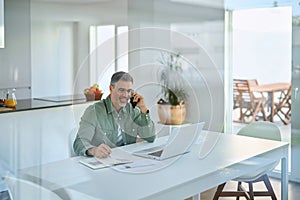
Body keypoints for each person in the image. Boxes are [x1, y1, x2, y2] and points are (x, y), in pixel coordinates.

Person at [73, 71, 156, 158]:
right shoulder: (93, 111)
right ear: (111, 88)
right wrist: (94, 150)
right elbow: (79, 143)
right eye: (121, 90)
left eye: (129, 91)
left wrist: (144, 110)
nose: (125, 95)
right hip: (103, 163)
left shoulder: (133, 110)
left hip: (127, 161)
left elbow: (150, 137)